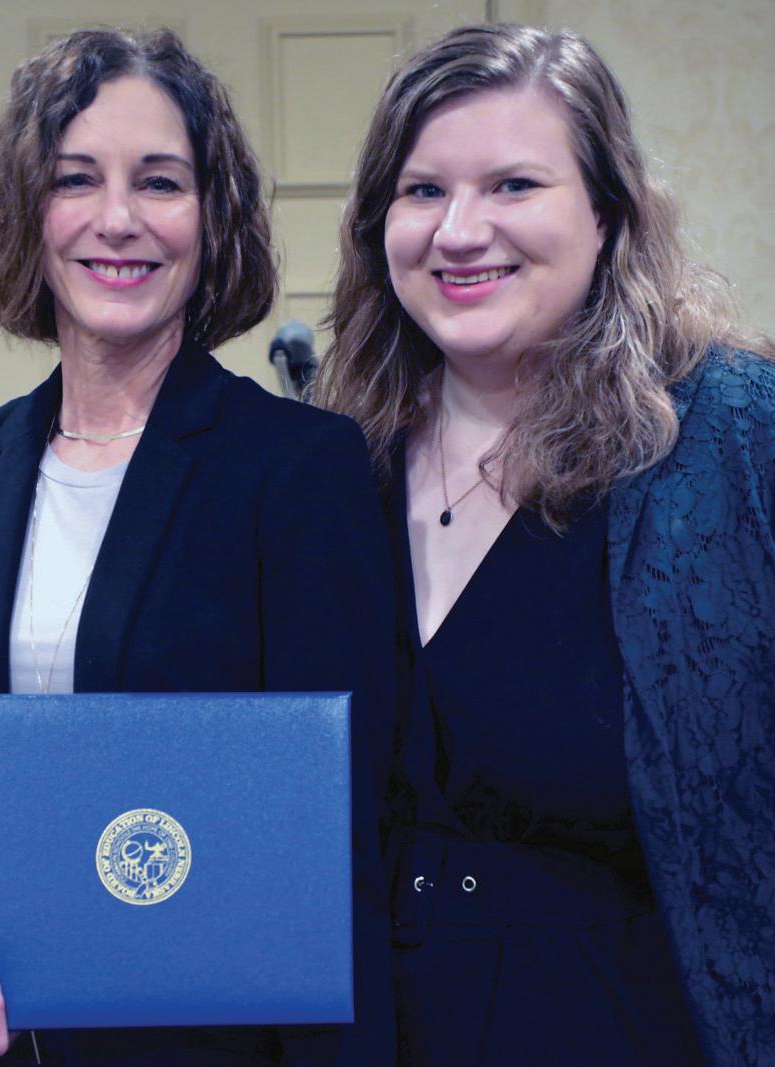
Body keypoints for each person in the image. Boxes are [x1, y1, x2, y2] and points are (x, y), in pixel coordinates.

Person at [0, 28, 397, 1067]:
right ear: (29, 214)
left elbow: (336, 833)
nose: (118, 218)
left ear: (213, 216)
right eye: (76, 179)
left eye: (160, 181)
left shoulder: (299, 469)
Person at [313, 22, 774, 1067]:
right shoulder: (334, 462)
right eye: (423, 191)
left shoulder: (736, 436)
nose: (459, 230)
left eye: (514, 185)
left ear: (608, 212)